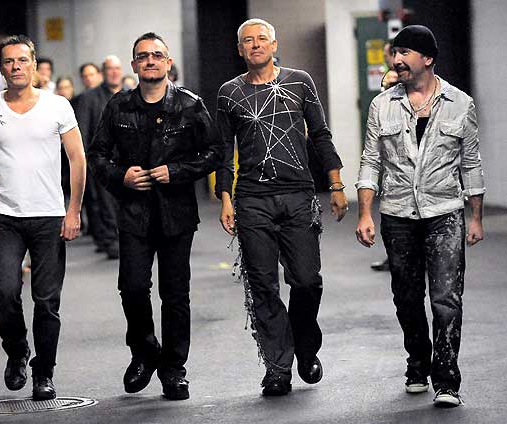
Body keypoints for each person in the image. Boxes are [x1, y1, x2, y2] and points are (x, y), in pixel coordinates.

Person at [215, 18, 347, 397]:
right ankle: (277, 368)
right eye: (248, 41)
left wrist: (336, 183)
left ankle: (305, 343)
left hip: (298, 195)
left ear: (274, 45)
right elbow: (224, 149)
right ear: (239, 50)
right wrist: (226, 198)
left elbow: (320, 134)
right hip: (252, 198)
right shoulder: (229, 93)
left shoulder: (299, 82)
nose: (255, 45)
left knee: (306, 280)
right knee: (263, 285)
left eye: (262, 39)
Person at [355, 25, 485, 408]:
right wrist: (365, 213)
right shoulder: (382, 105)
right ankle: (417, 363)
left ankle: (447, 380)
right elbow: (371, 161)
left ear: (427, 58)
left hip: (445, 211)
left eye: (405, 53)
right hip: (397, 213)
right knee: (407, 297)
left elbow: (471, 163)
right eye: (395, 53)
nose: (396, 60)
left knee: (446, 298)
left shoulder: (460, 103)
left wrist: (476, 217)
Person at [88, 32, 222, 400]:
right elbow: (97, 155)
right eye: (143, 55)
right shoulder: (118, 106)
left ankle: (174, 369)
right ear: (134, 65)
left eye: (157, 55)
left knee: (175, 294)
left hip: (177, 212)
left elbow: (214, 152)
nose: (150, 60)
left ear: (168, 62)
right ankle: (145, 351)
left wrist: (176, 171)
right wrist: (122, 176)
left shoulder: (190, 105)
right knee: (132, 287)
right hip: (134, 212)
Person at [0, 35, 86, 401]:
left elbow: (77, 158)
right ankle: (17, 351)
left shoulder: (57, 106)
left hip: (49, 216)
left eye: (22, 60)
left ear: (34, 65)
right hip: (5, 217)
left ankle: (44, 372)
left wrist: (73, 210)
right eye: (9, 61)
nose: (16, 66)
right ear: (1, 68)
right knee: (4, 290)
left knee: (47, 300)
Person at [79, 55, 125, 259]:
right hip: (101, 161)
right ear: (103, 73)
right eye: (110, 69)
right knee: (105, 203)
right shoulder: (89, 98)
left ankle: (128, 239)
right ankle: (111, 241)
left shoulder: (129, 94)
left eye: (117, 68)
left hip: (128, 160)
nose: (114, 72)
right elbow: (82, 130)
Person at [370, 39, 399, 272]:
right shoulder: (390, 78)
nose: (388, 59)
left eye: (388, 54)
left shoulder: (394, 78)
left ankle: (399, 258)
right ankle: (395, 257)